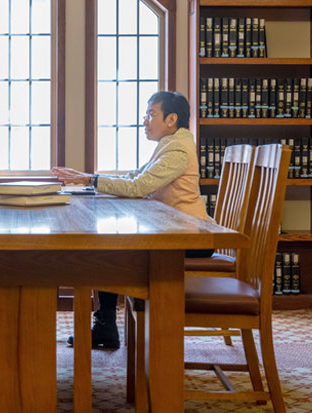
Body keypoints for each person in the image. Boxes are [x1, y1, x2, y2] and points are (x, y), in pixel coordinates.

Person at [52, 90, 211, 349]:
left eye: (151, 115)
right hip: (175, 230)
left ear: (171, 119)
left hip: (188, 235)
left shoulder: (178, 150)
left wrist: (89, 180)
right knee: (109, 251)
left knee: (110, 253)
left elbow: (139, 187)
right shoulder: (171, 143)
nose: (145, 121)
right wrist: (88, 177)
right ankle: (105, 324)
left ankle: (105, 326)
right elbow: (134, 177)